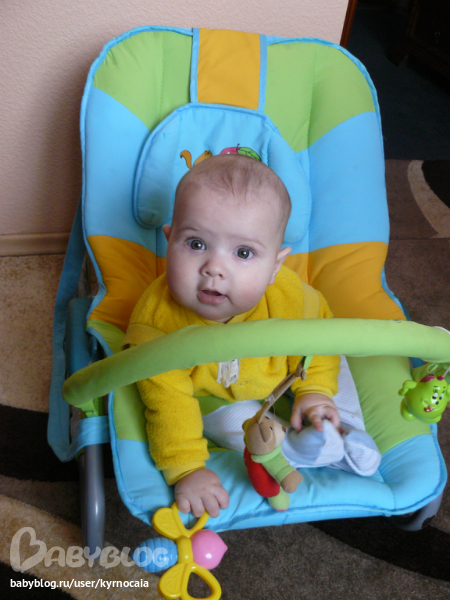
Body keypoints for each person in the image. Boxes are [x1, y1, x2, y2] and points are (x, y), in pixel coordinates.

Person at [125, 154, 380, 519]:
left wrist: (315, 390)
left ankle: (342, 427)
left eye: (243, 253)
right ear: (169, 240)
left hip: (289, 369)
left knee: (333, 367)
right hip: (215, 394)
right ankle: (292, 450)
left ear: (275, 266)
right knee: (230, 426)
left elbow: (319, 335)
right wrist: (187, 469)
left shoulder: (290, 296)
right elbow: (167, 404)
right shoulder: (156, 325)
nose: (214, 268)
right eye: (195, 244)